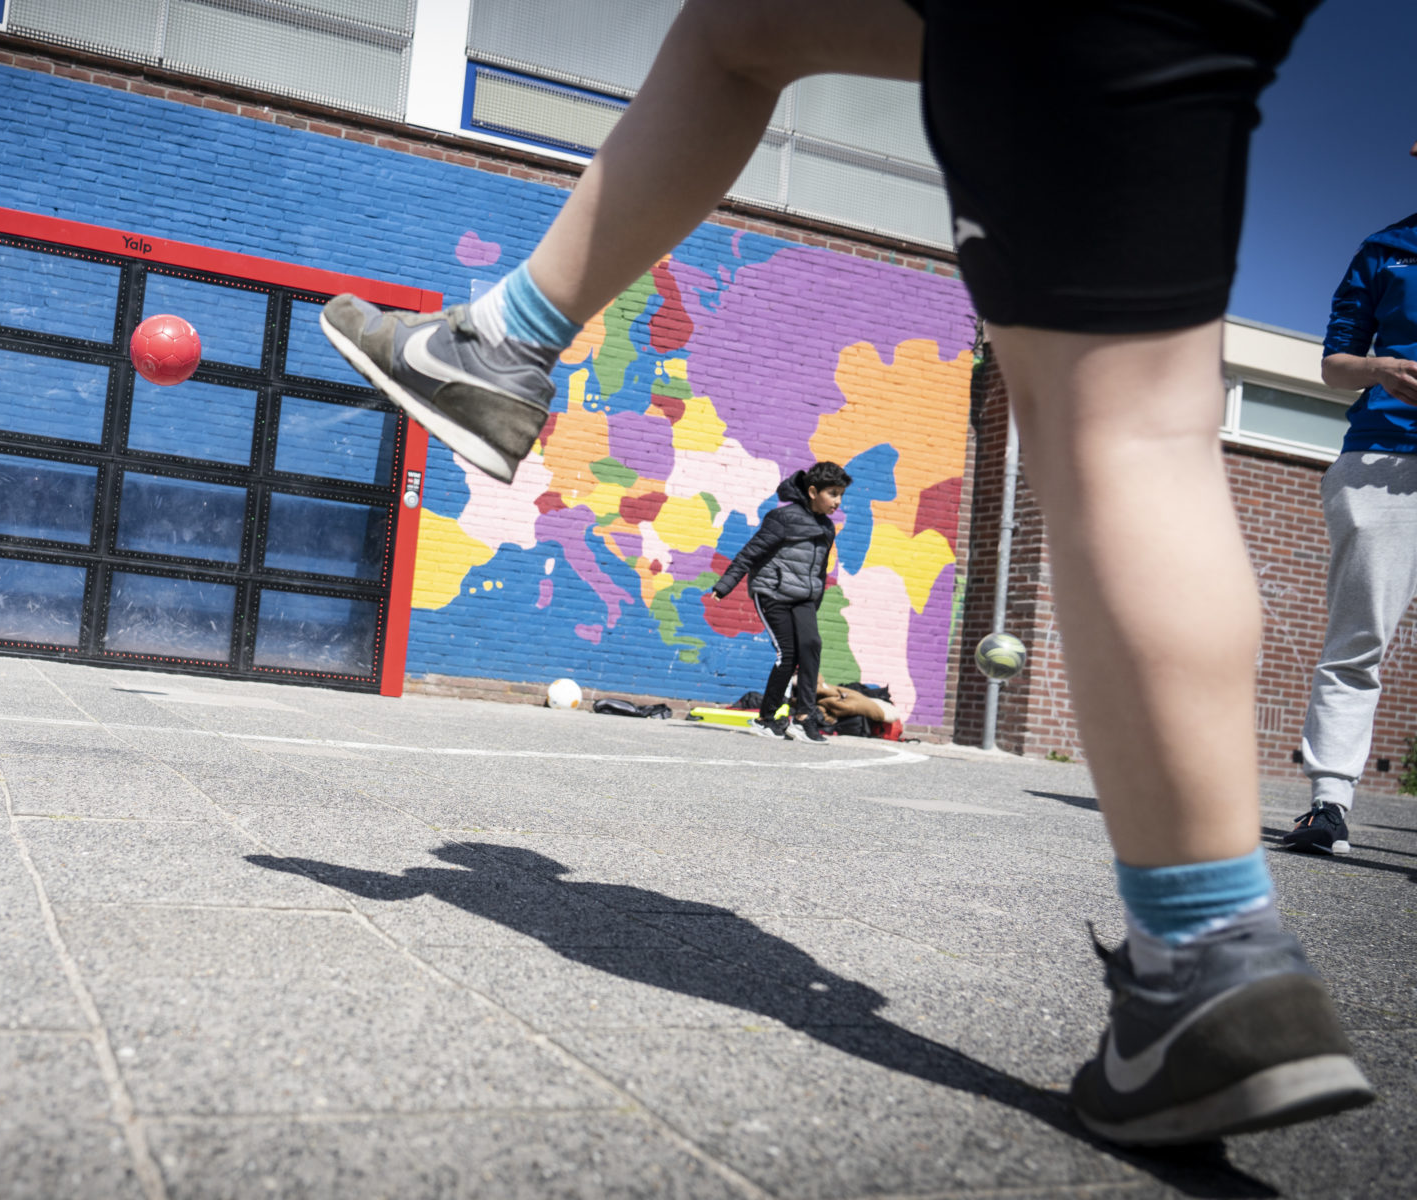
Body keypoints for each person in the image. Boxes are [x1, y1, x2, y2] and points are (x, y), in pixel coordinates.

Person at [322, 0, 1374, 1145]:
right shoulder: (790, 520)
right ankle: (1218, 950)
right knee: (1150, 434)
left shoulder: (807, 524)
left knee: (1108, 428)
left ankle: (1206, 950)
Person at [1284, 182, 1417, 858]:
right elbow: (1336, 364)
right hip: (1382, 461)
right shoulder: (1384, 251)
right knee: (1359, 639)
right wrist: (1380, 368)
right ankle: (1328, 805)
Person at [710, 462, 849, 742]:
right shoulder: (782, 518)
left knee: (811, 646)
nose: (838, 501)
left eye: (841, 495)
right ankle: (766, 718)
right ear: (813, 491)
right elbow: (749, 554)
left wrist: (814, 600)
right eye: (833, 493)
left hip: (804, 597)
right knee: (787, 654)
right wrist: (725, 585)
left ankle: (803, 718)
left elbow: (819, 569)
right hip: (772, 592)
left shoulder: (826, 527)